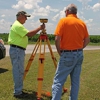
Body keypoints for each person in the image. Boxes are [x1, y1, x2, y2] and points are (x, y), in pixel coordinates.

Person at [51, 4, 90, 100]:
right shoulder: (82, 23)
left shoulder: (63, 21)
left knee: (58, 81)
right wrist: (80, 48)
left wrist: (59, 51)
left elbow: (57, 38)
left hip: (67, 54)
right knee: (75, 81)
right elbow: (87, 39)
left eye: (65, 11)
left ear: (67, 11)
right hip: (79, 54)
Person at [8, 11, 45, 98]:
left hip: (18, 50)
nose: (26, 19)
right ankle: (17, 92)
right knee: (18, 71)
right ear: (20, 16)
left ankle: (18, 90)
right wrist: (40, 28)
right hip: (17, 50)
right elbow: (29, 34)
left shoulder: (18, 25)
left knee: (19, 71)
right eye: (25, 17)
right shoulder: (17, 25)